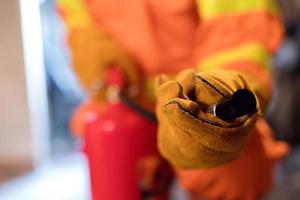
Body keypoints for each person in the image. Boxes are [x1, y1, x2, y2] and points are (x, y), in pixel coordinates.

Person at [57, 0, 289, 199]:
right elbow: (76, 13)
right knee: (112, 163)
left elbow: (237, 34)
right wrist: (88, 43)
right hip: (125, 100)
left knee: (232, 173)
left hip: (195, 101)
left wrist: (216, 93)